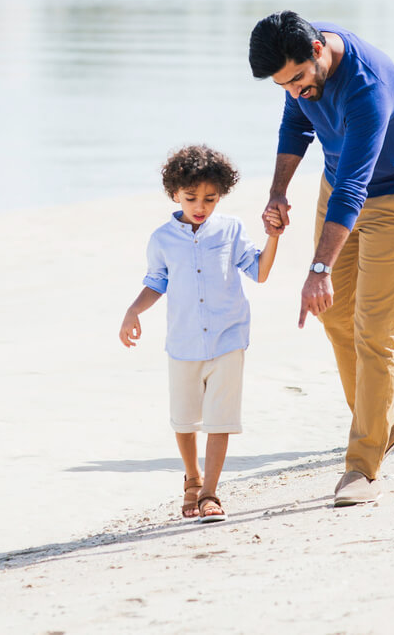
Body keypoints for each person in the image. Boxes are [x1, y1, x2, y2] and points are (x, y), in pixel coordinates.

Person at [248, 10, 394, 507]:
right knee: (335, 319)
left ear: (316, 53)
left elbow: (356, 186)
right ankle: (384, 422)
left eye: (297, 80)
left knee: (375, 329)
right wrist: (277, 193)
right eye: (282, 85)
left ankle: (362, 464)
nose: (294, 91)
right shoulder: (302, 77)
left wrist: (317, 269)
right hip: (340, 193)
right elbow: (296, 124)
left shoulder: (365, 85)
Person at [119, 145, 280, 523]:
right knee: (185, 419)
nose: (200, 206)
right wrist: (132, 311)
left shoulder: (231, 229)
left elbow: (259, 272)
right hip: (184, 342)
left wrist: (273, 237)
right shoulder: (162, 239)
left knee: (220, 419)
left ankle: (209, 492)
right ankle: (191, 478)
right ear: (174, 193)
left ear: (221, 194)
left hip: (228, 337)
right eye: (191, 197)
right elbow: (156, 282)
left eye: (210, 198)